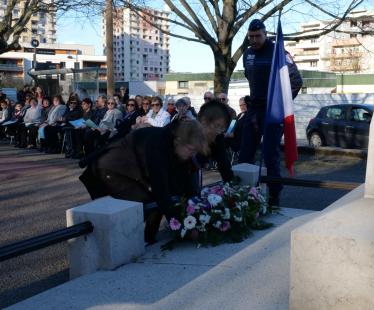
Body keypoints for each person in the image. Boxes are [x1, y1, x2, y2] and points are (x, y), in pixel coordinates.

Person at [79, 120, 208, 244]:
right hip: (109, 169)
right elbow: (160, 189)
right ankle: (126, 243)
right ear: (178, 141)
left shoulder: (175, 145)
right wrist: (181, 227)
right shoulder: (158, 144)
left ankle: (147, 239)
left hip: (128, 170)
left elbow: (184, 182)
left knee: (153, 201)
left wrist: (193, 210)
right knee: (141, 204)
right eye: (191, 149)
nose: (192, 154)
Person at [239, 19, 303, 207]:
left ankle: (274, 197)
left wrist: (280, 105)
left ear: (266, 34)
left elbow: (296, 81)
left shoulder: (279, 52)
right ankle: (243, 197)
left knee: (270, 156)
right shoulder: (247, 54)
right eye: (251, 37)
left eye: (258, 36)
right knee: (245, 155)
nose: (254, 40)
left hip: (273, 111)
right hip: (254, 110)